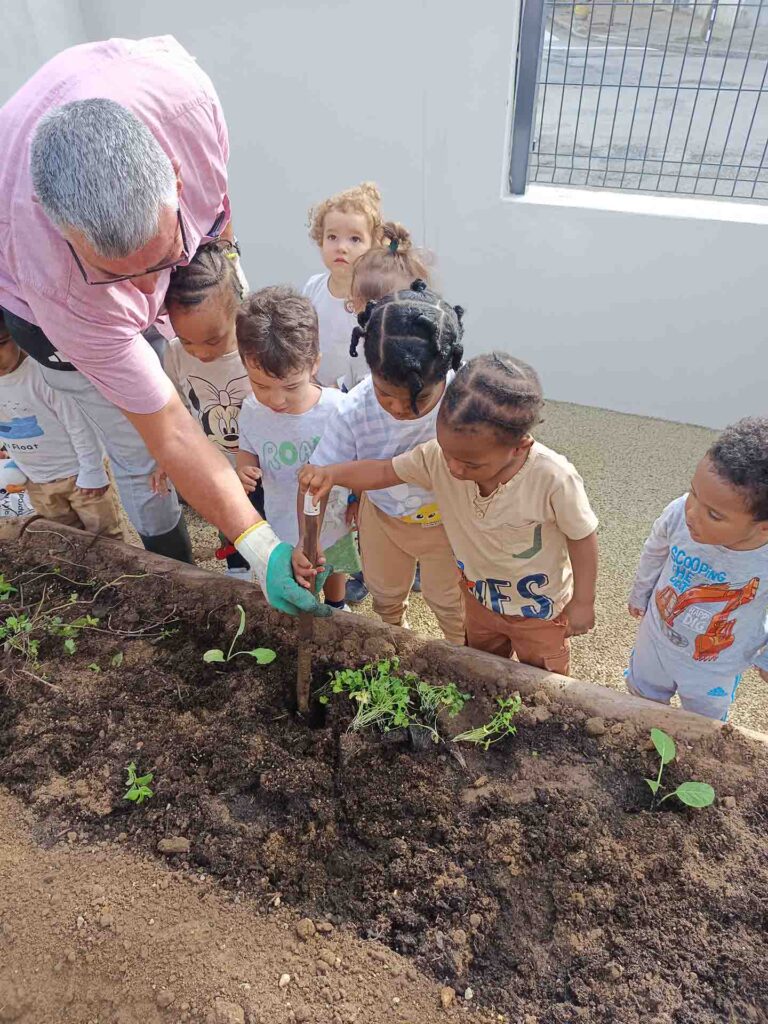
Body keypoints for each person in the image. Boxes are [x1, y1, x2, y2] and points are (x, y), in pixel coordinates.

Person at [0, 37, 323, 615]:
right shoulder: (55, 281)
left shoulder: (189, 106)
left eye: (160, 259)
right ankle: (169, 568)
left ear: (176, 178)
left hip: (132, 220)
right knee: (137, 451)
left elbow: (219, 221)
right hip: (53, 326)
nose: (153, 299)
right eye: (119, 277)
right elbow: (168, 429)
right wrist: (261, 544)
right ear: (62, 233)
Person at [299, 352, 599, 673]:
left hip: (540, 611)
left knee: (542, 677)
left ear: (519, 446)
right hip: (480, 601)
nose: (454, 469)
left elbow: (581, 536)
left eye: (471, 464)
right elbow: (385, 471)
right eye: (448, 452)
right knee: (481, 666)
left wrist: (583, 601)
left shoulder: (553, 478)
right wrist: (332, 475)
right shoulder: (438, 457)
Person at [306, 281, 467, 645]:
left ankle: (463, 655)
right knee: (386, 593)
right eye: (386, 394)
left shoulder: (464, 399)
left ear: (445, 374)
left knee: (452, 603)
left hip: (449, 523)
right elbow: (319, 479)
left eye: (419, 399)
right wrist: (311, 540)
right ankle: (395, 643)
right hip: (383, 517)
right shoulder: (355, 409)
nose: (399, 409)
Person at [626, 417, 768, 721]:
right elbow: (655, 550)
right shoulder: (679, 513)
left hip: (715, 663)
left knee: (704, 722)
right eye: (693, 493)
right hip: (656, 637)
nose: (692, 514)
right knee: (641, 699)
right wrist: (641, 592)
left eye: (714, 515)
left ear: (763, 529)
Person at [235, 287, 360, 607]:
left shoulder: (338, 408)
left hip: (333, 517)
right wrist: (243, 468)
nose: (276, 400)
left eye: (290, 386)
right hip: (282, 518)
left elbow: (360, 459)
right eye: (261, 385)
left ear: (315, 363)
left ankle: (337, 604)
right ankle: (301, 606)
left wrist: (358, 497)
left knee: (334, 564)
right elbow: (247, 447)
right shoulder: (250, 410)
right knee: (296, 570)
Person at [343, 221, 434, 605]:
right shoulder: (362, 369)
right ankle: (371, 571)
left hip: (428, 491)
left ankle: (419, 569)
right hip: (377, 488)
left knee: (430, 536)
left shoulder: (434, 367)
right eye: (363, 314)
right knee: (378, 529)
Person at [162, 240, 265, 576]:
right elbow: (174, 409)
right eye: (187, 340)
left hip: (264, 463)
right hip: (218, 464)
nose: (201, 353)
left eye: (212, 340)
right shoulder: (175, 355)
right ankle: (237, 570)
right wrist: (166, 457)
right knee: (229, 517)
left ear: (238, 311)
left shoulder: (256, 349)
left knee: (268, 518)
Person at [0, 322, 124, 539]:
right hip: (36, 481)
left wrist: (91, 470)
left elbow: (80, 425)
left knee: (106, 539)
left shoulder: (44, 373)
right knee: (64, 541)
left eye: (1, 343)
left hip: (79, 475)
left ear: (16, 334)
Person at [302, 182, 382, 390]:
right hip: (317, 395)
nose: (341, 247)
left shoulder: (375, 299)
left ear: (373, 245)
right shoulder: (313, 288)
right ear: (320, 240)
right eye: (332, 237)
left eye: (355, 239)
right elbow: (301, 340)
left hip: (361, 397)